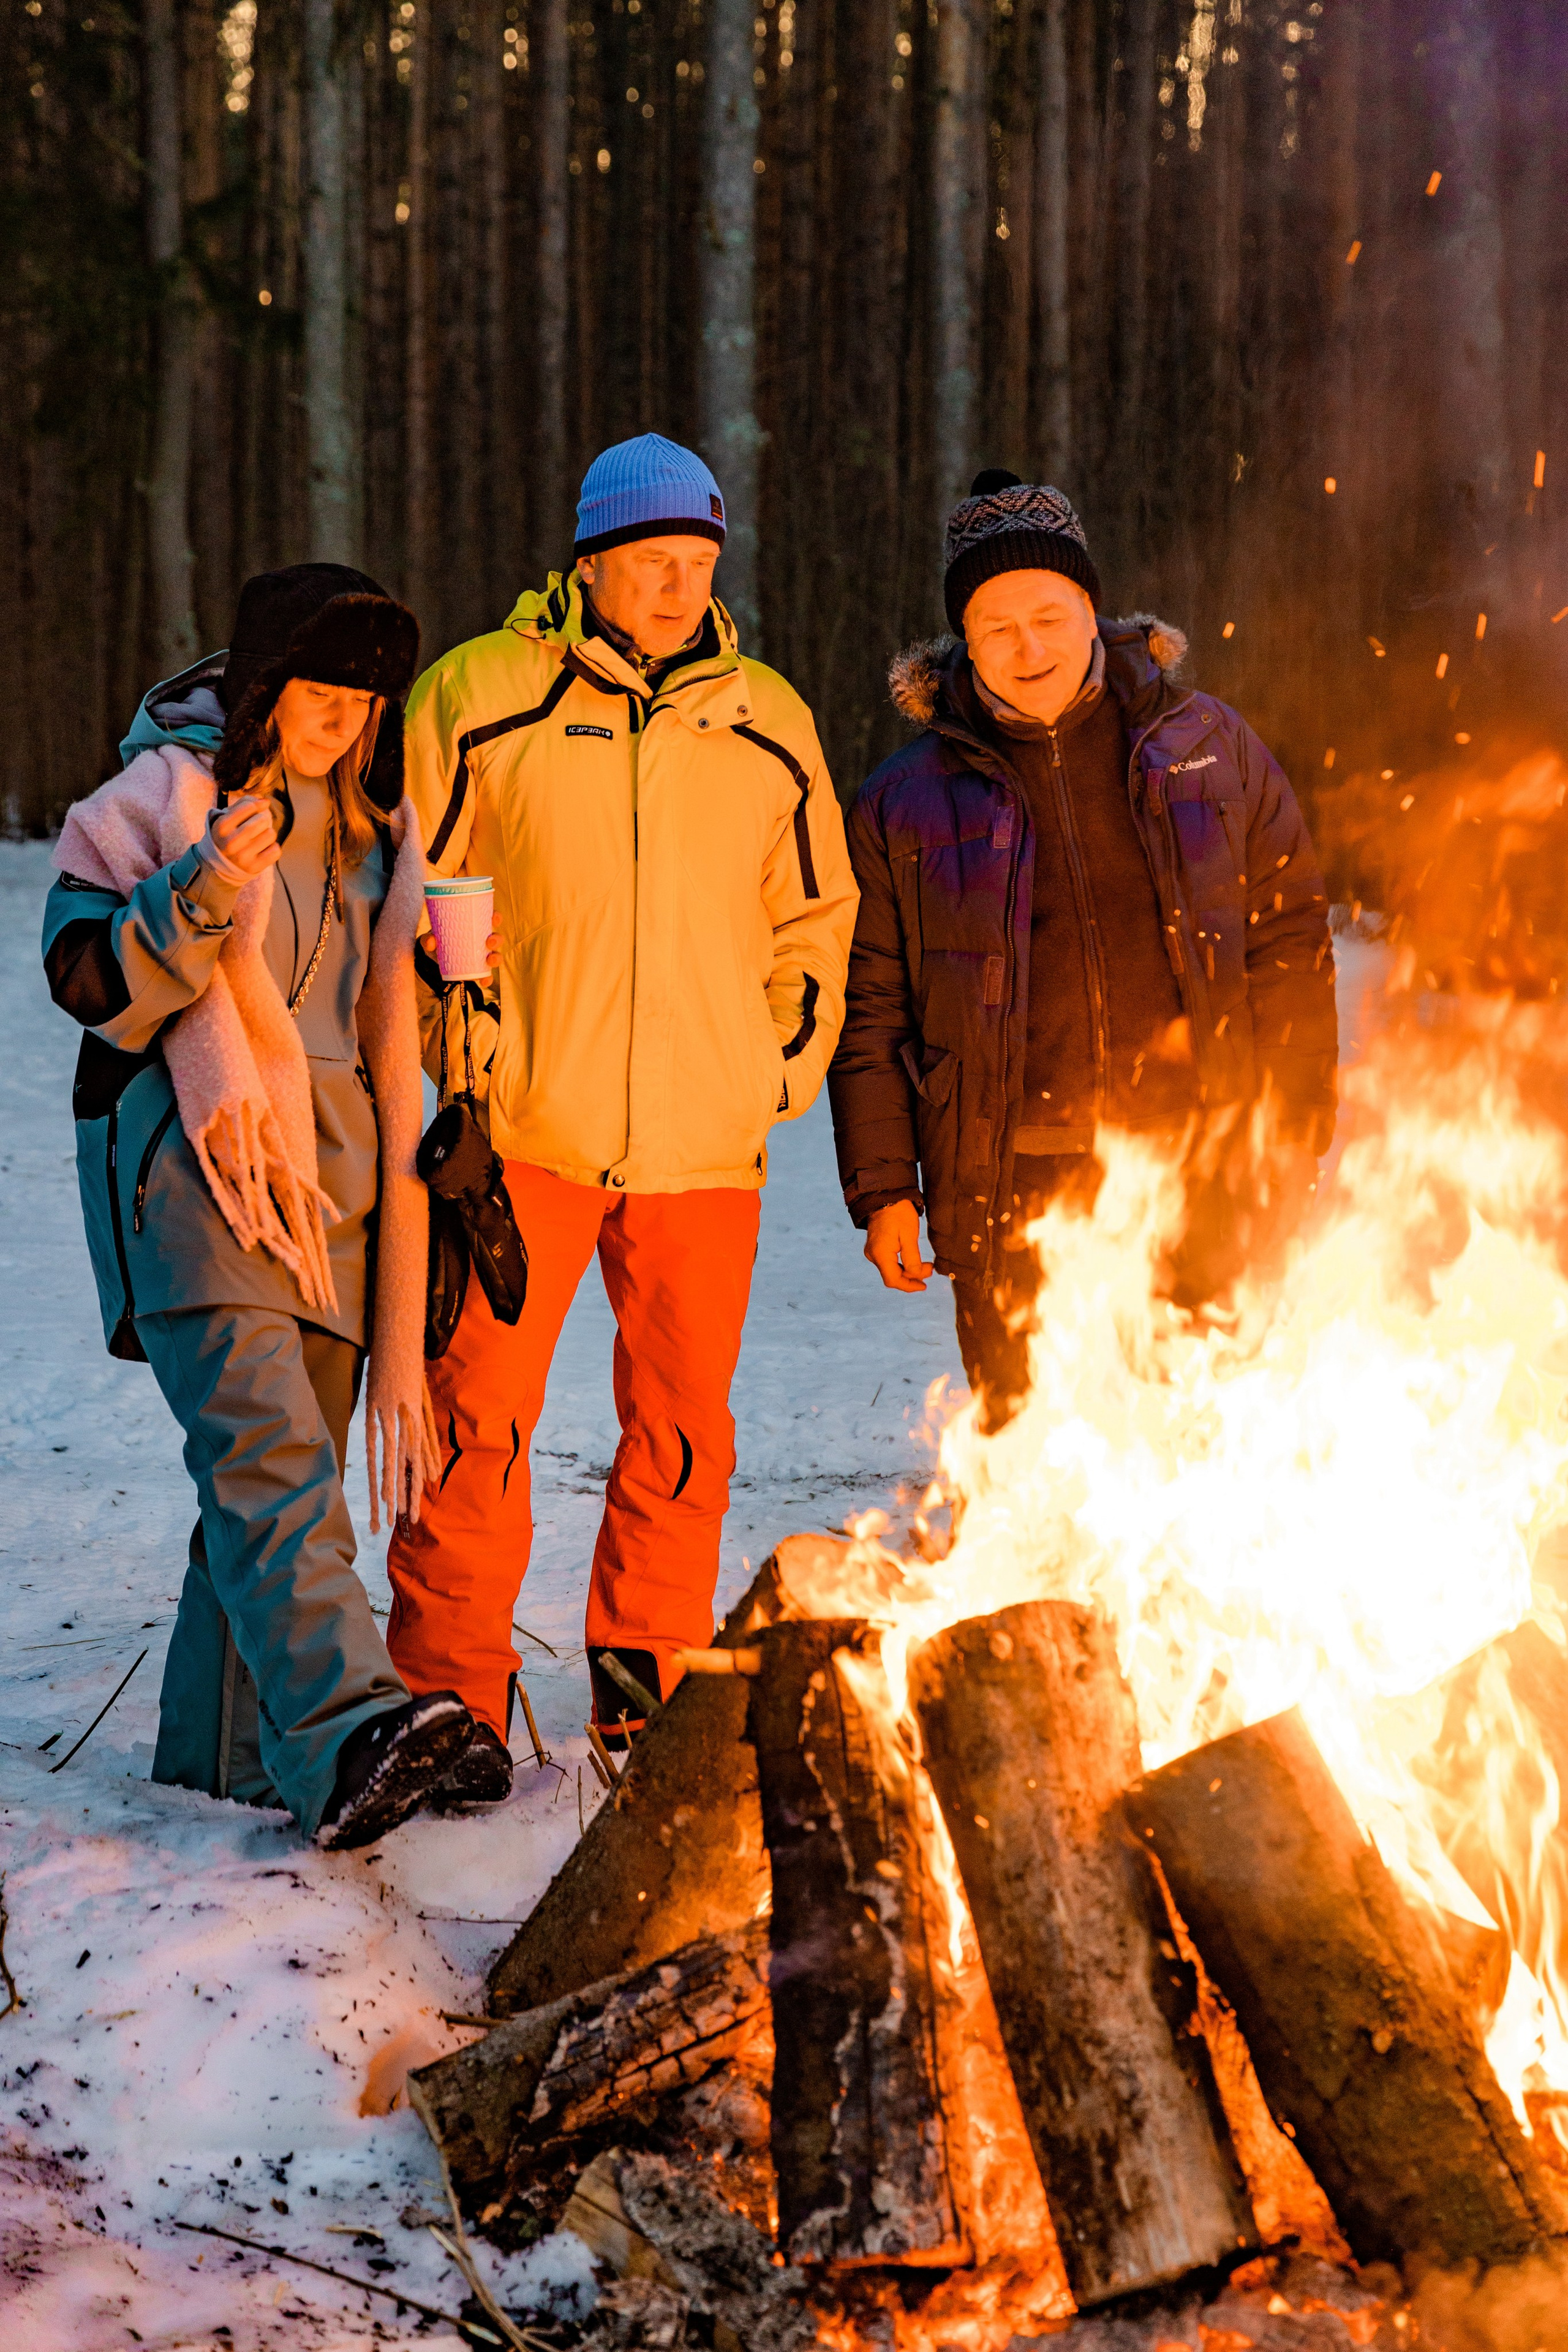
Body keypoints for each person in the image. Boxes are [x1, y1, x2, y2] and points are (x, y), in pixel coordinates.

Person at [389, 431, 858, 1796]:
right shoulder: (480, 694)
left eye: (695, 561)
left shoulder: (767, 718)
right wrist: (461, 1050)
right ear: (588, 563)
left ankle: (643, 1685)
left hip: (704, 1147)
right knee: (475, 1417)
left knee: (681, 1429)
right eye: (648, 560)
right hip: (519, 1134)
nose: (674, 585)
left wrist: (772, 1065)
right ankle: (449, 1697)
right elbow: (411, 892)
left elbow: (815, 915)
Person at [42, 568, 483, 1847]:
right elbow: (89, 983)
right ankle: (352, 1733)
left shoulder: (383, 835)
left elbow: (377, 1029)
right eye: (320, 689)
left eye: (366, 698)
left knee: (265, 1499)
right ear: (262, 687)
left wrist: (457, 975)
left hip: (341, 1211)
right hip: (201, 1182)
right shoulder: (163, 800)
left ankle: (218, 1773)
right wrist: (198, 889)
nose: (343, 717)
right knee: (277, 1477)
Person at [827, 470, 1338, 1425]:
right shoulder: (903, 800)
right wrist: (886, 1186)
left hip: (1199, 1170)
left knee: (1203, 1442)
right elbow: (873, 1006)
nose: (1029, 648)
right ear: (963, 640)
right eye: (997, 627)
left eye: (1049, 617)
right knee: (1038, 1461)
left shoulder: (1210, 747)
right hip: (1013, 1187)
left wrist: (1295, 1124)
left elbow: (1289, 944)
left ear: (1092, 612)